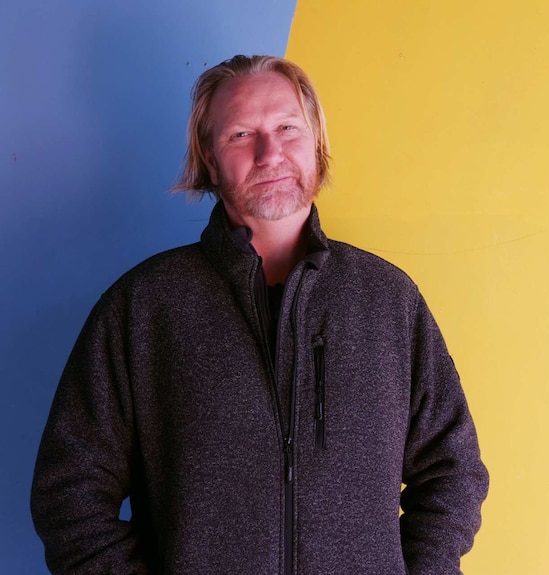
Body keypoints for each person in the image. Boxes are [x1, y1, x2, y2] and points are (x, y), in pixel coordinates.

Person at [31, 54, 489, 575]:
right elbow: (68, 494)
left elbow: (453, 474)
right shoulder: (143, 307)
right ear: (208, 154)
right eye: (241, 135)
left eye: (287, 127)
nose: (270, 152)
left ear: (314, 140)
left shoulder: (388, 302)